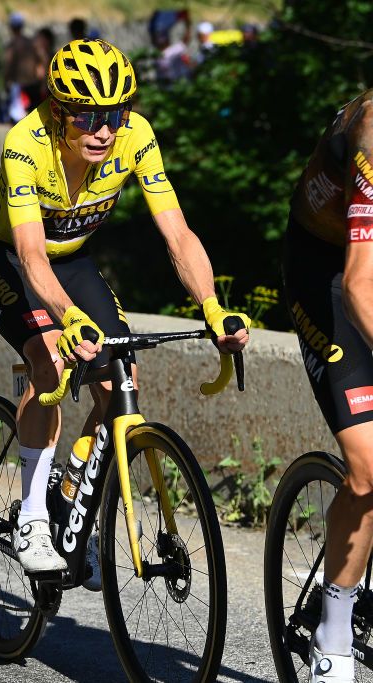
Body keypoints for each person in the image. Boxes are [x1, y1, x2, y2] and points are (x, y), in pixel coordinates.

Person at [0, 39, 249, 585]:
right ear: (57, 112)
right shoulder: (25, 144)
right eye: (88, 115)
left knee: (122, 378)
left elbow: (177, 233)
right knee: (48, 356)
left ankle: (72, 490)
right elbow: (29, 255)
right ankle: (30, 520)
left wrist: (213, 308)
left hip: (73, 257)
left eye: (115, 113)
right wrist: (67, 318)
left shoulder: (135, 136)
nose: (104, 129)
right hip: (6, 256)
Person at [282, 91, 373, 683]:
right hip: (327, 274)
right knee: (369, 467)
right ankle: (332, 633)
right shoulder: (372, 141)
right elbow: (361, 283)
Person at [3, 11, 38, 121]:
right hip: (33, 83)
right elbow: (40, 62)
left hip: (18, 85)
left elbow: (8, 65)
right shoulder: (30, 43)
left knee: (18, 118)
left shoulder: (12, 45)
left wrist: (6, 81)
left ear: (12, 28)